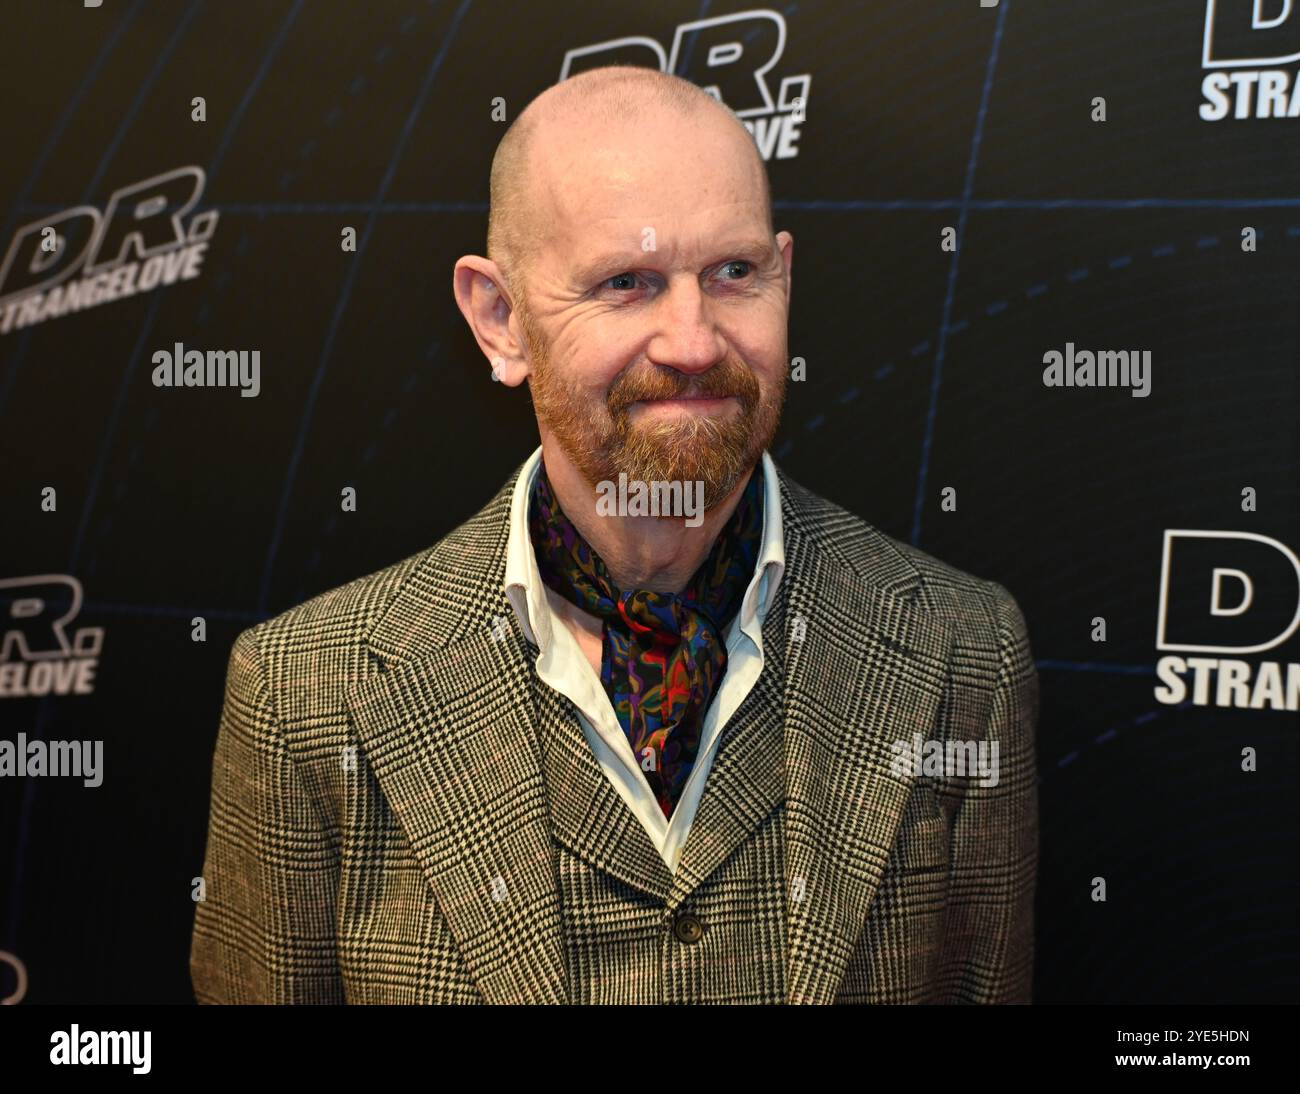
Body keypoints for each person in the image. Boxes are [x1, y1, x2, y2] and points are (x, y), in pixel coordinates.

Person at [190, 64, 1038, 1005]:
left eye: (734, 273)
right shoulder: (306, 694)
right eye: (626, 282)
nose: (693, 340)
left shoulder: (962, 654)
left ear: (784, 278)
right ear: (500, 319)